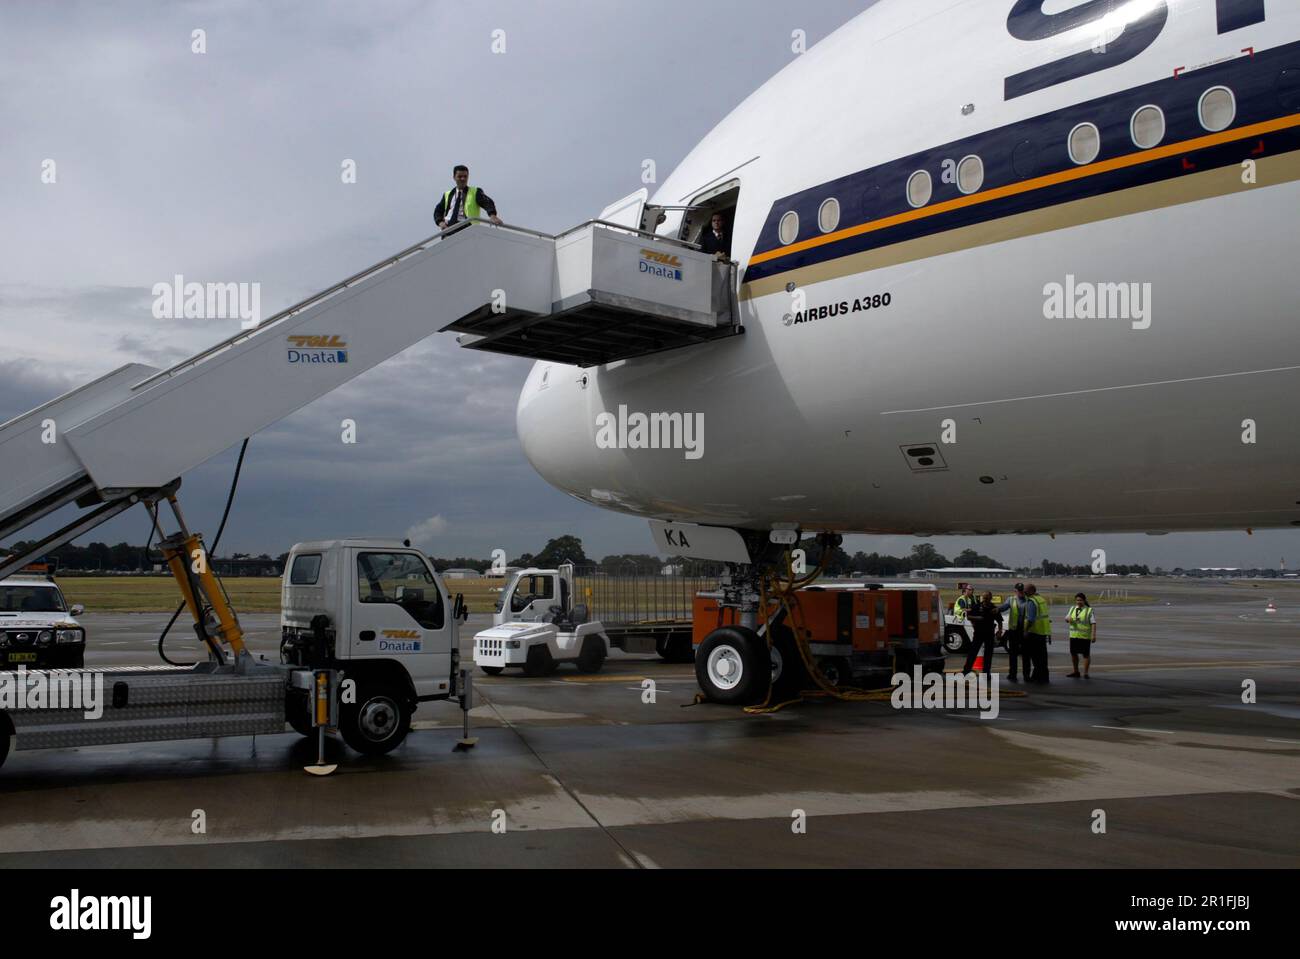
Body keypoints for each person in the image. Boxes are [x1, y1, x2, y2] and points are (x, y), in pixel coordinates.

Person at [435, 164, 502, 230]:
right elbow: (438, 211)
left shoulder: (475, 192)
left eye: (465, 176)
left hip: (468, 228)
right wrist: (440, 222)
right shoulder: (447, 194)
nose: (463, 179)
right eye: (460, 176)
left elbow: (487, 203)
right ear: (454, 177)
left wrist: (493, 216)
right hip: (449, 228)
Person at [962, 591, 1003, 674]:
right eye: (984, 598)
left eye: (987, 598)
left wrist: (999, 631)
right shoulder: (977, 606)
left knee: (988, 654)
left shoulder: (993, 608)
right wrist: (978, 618)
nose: (985, 600)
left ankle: (986, 672)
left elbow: (999, 621)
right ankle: (966, 670)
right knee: (973, 653)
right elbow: (969, 616)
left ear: (990, 598)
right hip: (978, 633)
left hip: (989, 634)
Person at [997, 582, 1031, 682]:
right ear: (1015, 591)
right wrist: (996, 609)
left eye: (1022, 591)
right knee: (1013, 654)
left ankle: (1026, 675)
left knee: (1026, 655)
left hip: (1025, 631)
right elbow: (1003, 608)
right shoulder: (1011, 599)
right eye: (1019, 591)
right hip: (1014, 631)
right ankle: (1012, 674)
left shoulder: (1029, 600)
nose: (1021, 593)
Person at [1024, 584, 1052, 684]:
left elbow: (1031, 619)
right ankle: (1043, 677)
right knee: (1043, 657)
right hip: (1043, 631)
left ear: (1031, 591)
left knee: (1036, 658)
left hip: (1034, 632)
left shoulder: (1032, 601)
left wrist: (1026, 630)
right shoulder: (1041, 599)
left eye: (1025, 590)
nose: (1024, 592)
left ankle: (1038, 678)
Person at [1065, 592, 1096, 678]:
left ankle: (1086, 673)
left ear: (1084, 600)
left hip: (1084, 636)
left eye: (1081, 600)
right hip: (1074, 636)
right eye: (1077, 600)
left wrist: (1093, 635)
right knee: (1073, 654)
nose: (1079, 602)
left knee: (1085, 655)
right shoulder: (1072, 609)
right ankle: (1076, 671)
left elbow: (1093, 623)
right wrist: (1068, 619)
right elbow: (1066, 618)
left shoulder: (1089, 610)